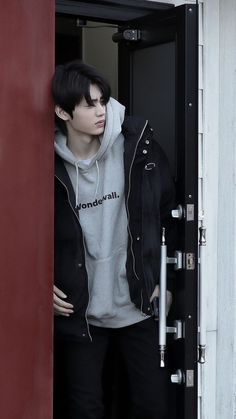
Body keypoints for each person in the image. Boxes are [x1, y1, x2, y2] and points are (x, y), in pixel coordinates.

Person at [52, 60, 175, 419]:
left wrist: (167, 280)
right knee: (85, 408)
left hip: (137, 304)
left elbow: (170, 215)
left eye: (102, 100)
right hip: (81, 312)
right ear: (63, 111)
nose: (100, 110)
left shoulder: (137, 146)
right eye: (88, 104)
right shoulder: (45, 165)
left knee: (152, 405)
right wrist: (35, 285)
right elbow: (20, 231)